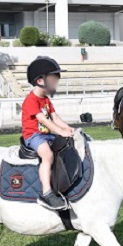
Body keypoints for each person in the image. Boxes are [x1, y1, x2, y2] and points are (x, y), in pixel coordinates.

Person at [21, 56, 76, 211]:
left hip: (46, 135)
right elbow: (44, 121)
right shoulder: (31, 100)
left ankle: (64, 184)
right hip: (34, 136)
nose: (55, 84)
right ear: (40, 81)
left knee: (66, 146)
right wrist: (60, 131)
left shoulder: (45, 100)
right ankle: (47, 193)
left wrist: (69, 129)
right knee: (47, 155)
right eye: (53, 80)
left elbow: (54, 117)